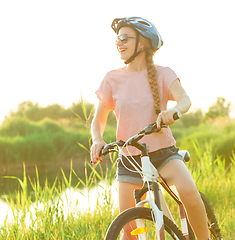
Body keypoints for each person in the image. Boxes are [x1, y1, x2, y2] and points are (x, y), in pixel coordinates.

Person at [90, 17, 210, 240]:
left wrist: (174, 111)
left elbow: (185, 99)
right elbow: (98, 120)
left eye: (125, 38)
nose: (119, 43)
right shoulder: (112, 78)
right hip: (129, 159)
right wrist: (97, 140)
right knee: (129, 230)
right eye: (117, 39)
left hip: (163, 154)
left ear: (143, 43)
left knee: (189, 193)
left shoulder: (163, 74)